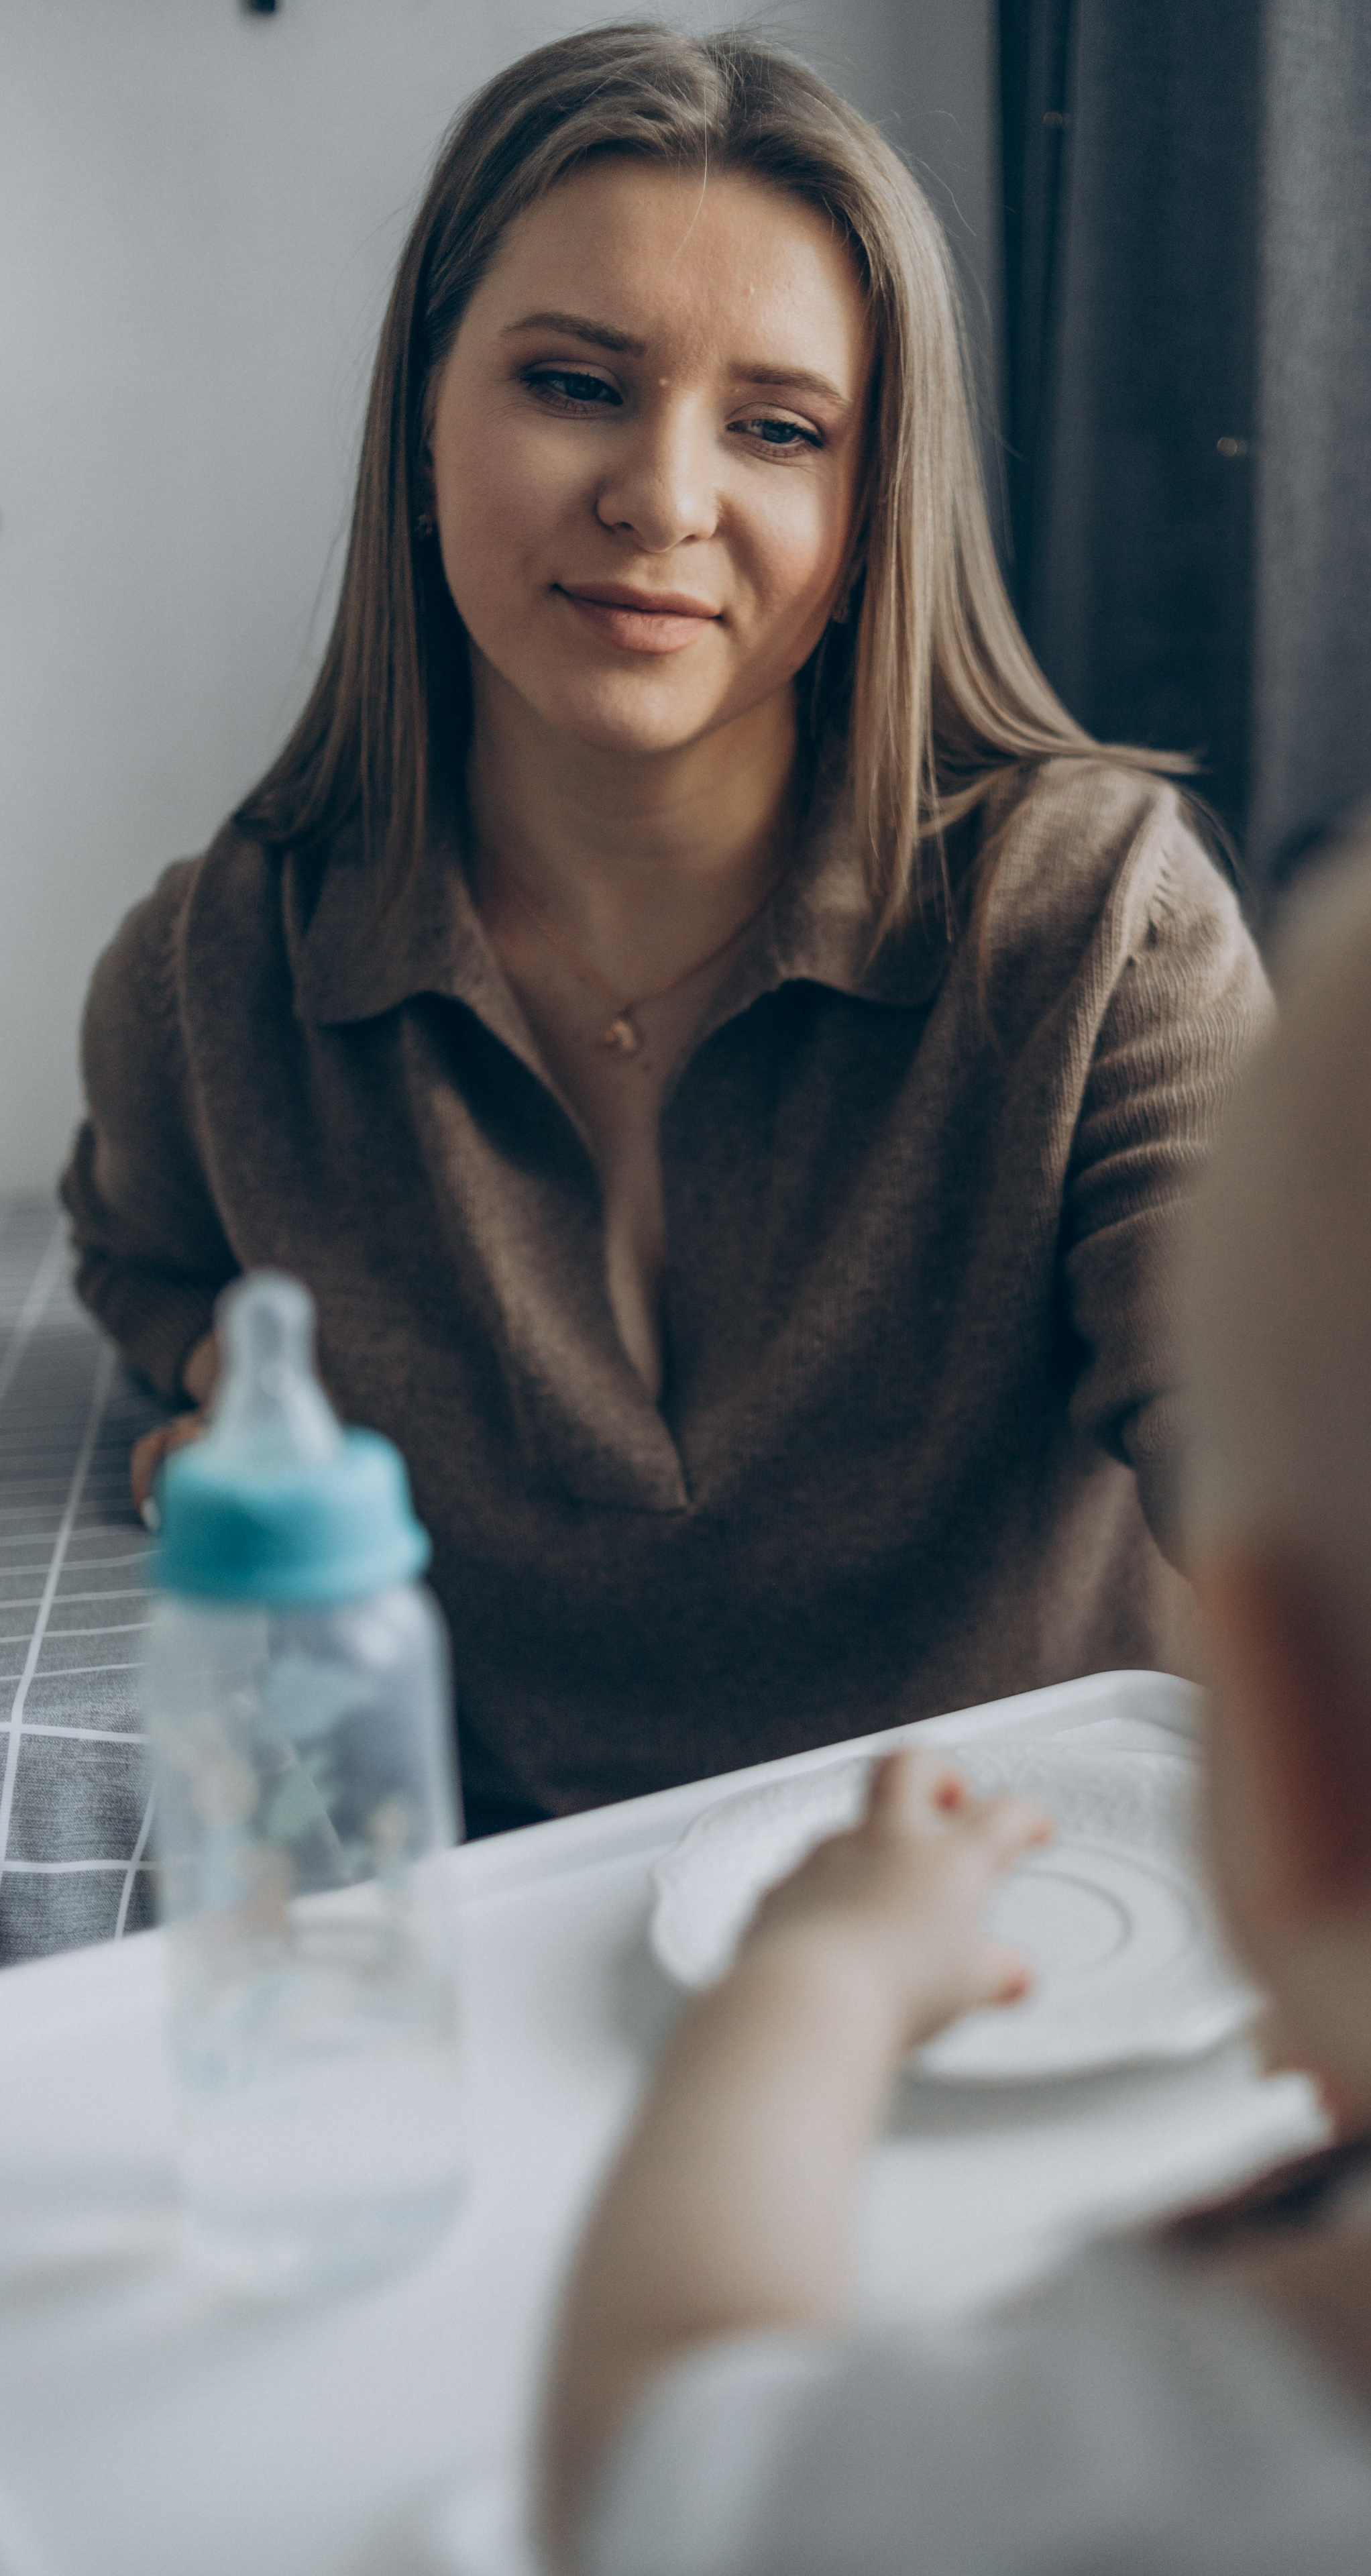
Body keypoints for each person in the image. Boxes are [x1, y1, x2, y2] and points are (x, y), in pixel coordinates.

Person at [535, 685, 1371, 2575]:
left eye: (779, 424)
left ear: (1308, 1758)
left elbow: (659, 2448)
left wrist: (818, 1984)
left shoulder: (1136, 2474)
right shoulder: (232, 951)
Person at [62, 23, 1266, 1832]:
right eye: (573, 384)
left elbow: (1271, 1446)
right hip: (519, 1973)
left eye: (779, 429)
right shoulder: (210, 979)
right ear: (420, 426)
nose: (665, 498)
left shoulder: (1102, 921)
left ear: (866, 522)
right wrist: (223, 1370)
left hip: (1045, 1953)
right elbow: (136, 1254)